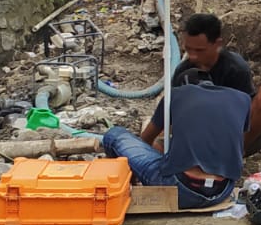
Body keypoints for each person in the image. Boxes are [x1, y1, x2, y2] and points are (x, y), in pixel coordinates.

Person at [102, 77, 249, 209]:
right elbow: (237, 146)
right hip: (222, 192)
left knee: (114, 135)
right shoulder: (243, 99)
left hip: (180, 191)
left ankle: (119, 188)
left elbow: (146, 139)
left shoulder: (176, 94)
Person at [172, 12, 261, 156]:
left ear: (217, 44)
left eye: (199, 50)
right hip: (200, 138)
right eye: (189, 49)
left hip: (240, 134)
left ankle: (233, 153)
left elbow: (242, 113)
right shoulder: (183, 72)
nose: (193, 56)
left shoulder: (235, 68)